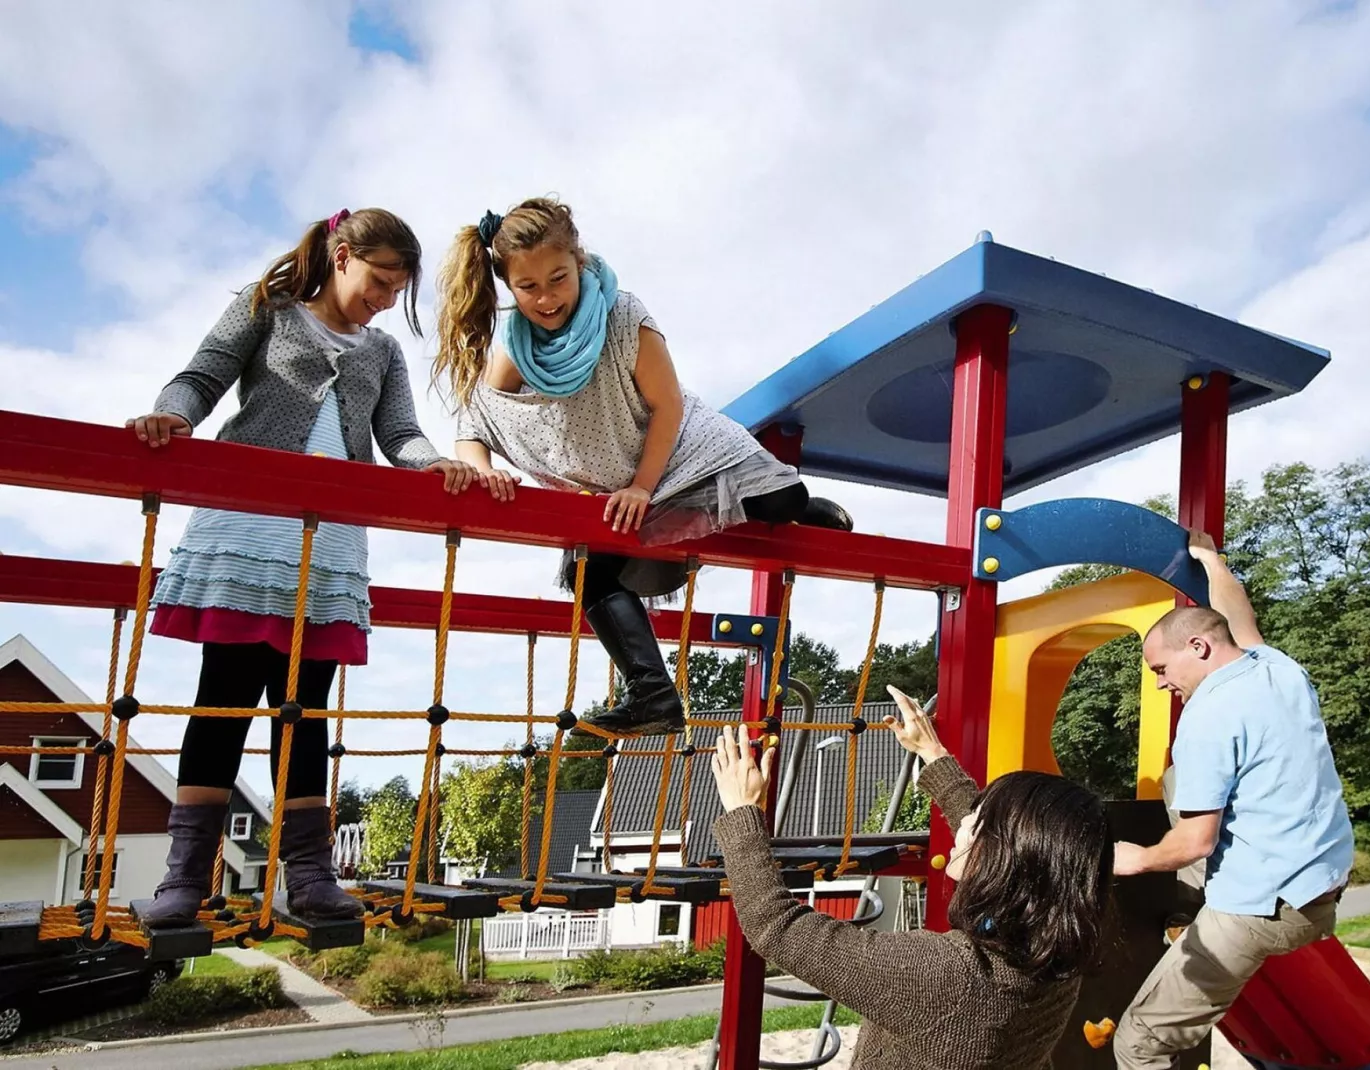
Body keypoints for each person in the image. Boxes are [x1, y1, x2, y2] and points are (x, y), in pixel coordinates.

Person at [128, 208, 482, 927]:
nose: (385, 300)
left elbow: (400, 435)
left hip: (329, 543)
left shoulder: (381, 352)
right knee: (223, 696)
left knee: (306, 707)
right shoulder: (268, 311)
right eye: (379, 282)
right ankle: (185, 877)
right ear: (342, 254)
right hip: (249, 528)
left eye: (397, 290)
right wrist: (172, 416)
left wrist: (434, 464)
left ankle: (310, 874)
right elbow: (200, 377)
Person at [432, 196, 853, 739]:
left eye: (558, 279)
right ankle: (652, 696)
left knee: (780, 499)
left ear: (579, 262)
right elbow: (475, 424)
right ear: (509, 287)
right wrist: (483, 467)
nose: (546, 297)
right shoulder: (515, 346)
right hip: (613, 479)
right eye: (528, 287)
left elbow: (668, 406)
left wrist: (643, 485)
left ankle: (801, 506)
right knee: (590, 572)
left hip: (673, 447)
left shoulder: (623, 315)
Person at [708, 686, 1113, 1070]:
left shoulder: (941, 976)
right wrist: (933, 755)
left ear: (1001, 859)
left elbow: (776, 926)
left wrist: (742, 810)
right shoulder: (1059, 957)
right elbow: (1010, 847)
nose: (964, 822)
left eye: (979, 822)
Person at [1111, 530, 1354, 1068]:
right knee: (1178, 784)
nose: (1159, 684)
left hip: (1260, 907)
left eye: (1160, 670)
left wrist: (1136, 859)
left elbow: (1196, 841)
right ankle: (1184, 898)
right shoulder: (1277, 668)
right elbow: (1236, 617)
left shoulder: (1205, 719)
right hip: (1319, 885)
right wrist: (1211, 562)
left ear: (1198, 648)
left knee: (1138, 1042)